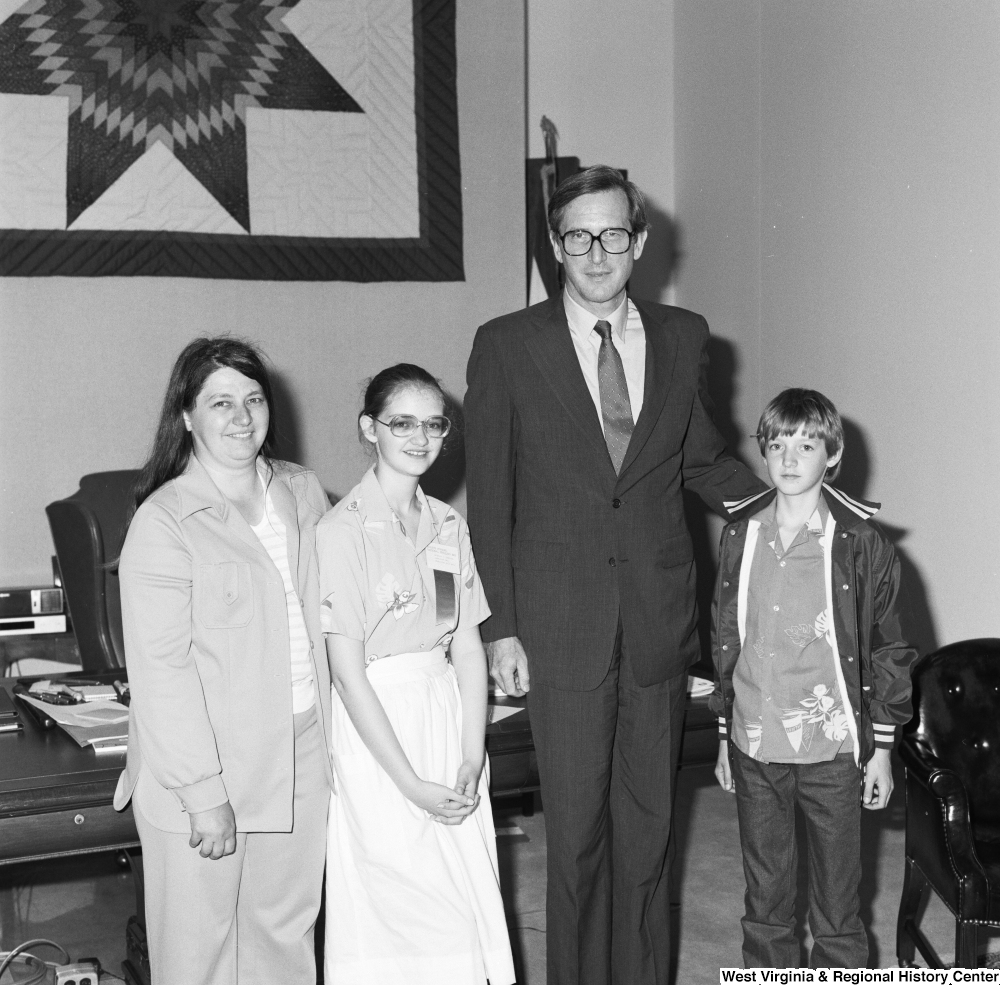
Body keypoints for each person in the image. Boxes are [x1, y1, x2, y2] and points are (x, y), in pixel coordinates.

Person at [464, 164, 767, 985]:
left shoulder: (682, 335)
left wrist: (791, 507)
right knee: (578, 836)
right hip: (559, 626)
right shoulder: (507, 343)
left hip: (658, 620)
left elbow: (701, 459)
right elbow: (488, 499)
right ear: (556, 247)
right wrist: (500, 628)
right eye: (576, 236)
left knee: (649, 832)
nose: (596, 252)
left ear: (639, 241)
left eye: (612, 234)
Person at [113, 337, 333, 985]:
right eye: (220, 402)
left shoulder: (303, 491)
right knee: (198, 958)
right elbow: (162, 671)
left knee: (283, 942)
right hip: (205, 769)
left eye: (254, 398)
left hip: (303, 754)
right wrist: (203, 795)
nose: (241, 416)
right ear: (185, 415)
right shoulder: (165, 520)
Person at [316, 364, 515, 985]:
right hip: (380, 733)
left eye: (434, 424)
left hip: (446, 721)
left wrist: (470, 755)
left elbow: (466, 647)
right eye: (402, 422)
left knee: (463, 901)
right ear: (368, 429)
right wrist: (408, 781)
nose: (420, 437)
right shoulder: (341, 531)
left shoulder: (448, 527)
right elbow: (346, 675)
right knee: (401, 909)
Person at [710, 388, 918, 968]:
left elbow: (890, 647)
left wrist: (882, 748)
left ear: (833, 453)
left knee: (837, 905)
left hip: (832, 748)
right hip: (755, 741)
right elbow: (726, 638)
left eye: (807, 444)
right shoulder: (740, 536)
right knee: (765, 898)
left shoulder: (860, 543)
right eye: (777, 444)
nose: (790, 457)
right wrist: (726, 732)